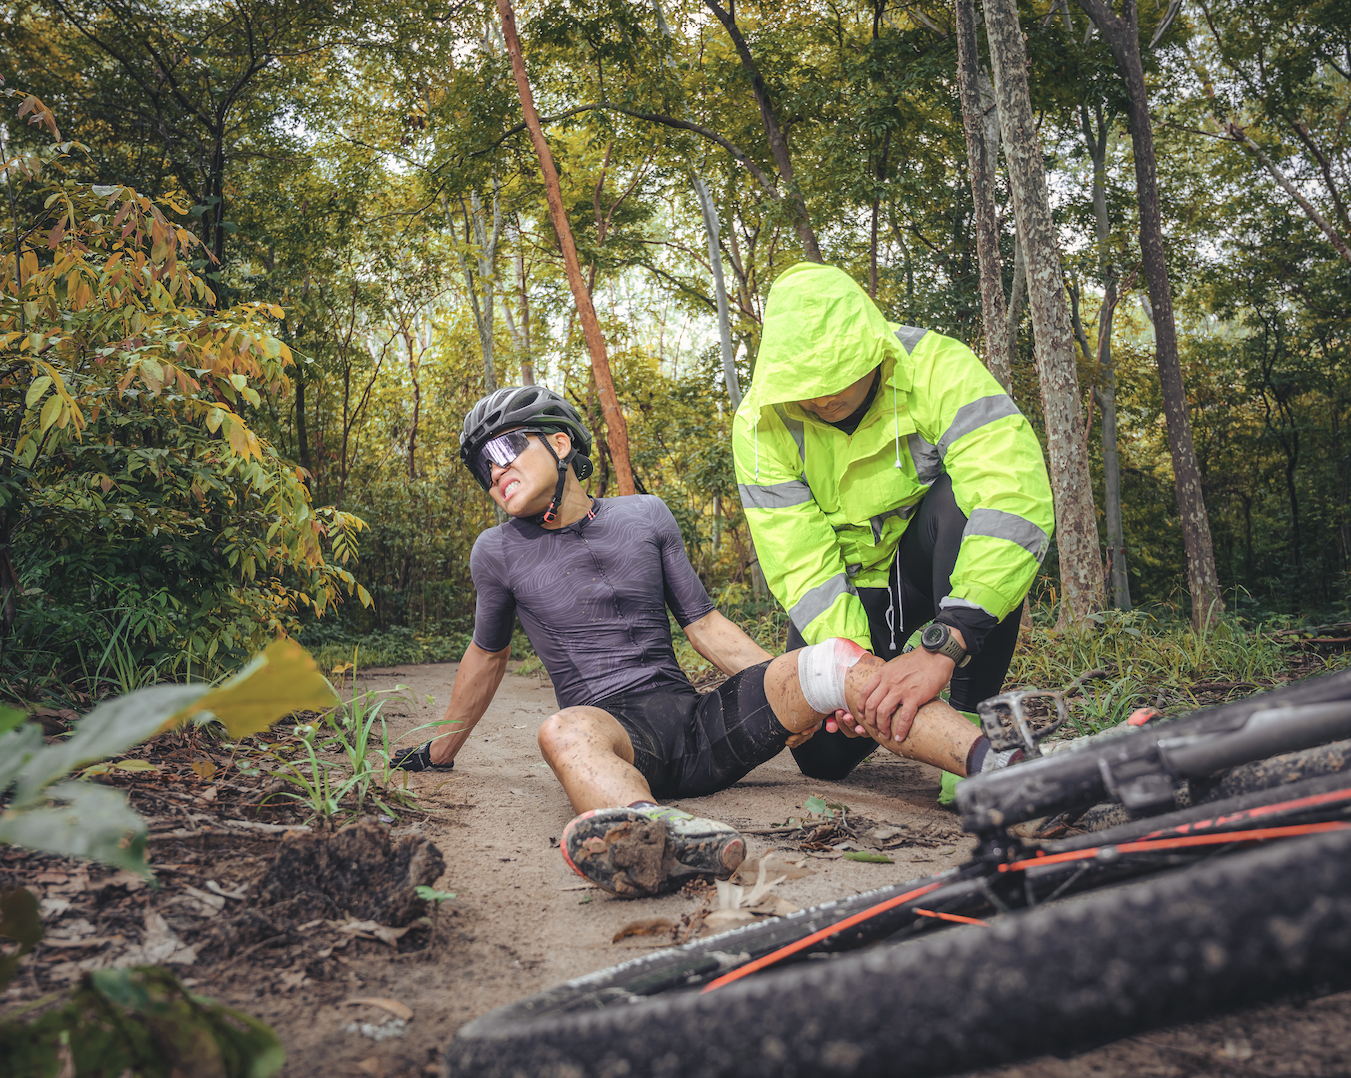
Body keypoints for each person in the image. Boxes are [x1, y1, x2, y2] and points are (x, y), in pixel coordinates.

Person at [393, 384, 986, 898]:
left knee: (833, 661)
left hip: (699, 726)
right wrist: (436, 752)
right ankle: (656, 839)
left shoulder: (646, 516)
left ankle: (998, 762)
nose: (494, 471)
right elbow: (487, 655)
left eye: (503, 449)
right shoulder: (495, 553)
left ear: (561, 443)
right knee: (563, 730)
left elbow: (704, 624)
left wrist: (797, 696)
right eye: (482, 468)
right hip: (617, 736)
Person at [732, 263, 1056, 802]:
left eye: (837, 377)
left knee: (965, 505)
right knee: (821, 757)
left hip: (933, 574)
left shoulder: (938, 366)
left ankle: (973, 730)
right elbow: (800, 559)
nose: (822, 398)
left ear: (874, 351)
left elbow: (1012, 502)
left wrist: (942, 646)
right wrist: (855, 673)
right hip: (854, 585)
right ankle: (900, 693)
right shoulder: (760, 425)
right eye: (805, 386)